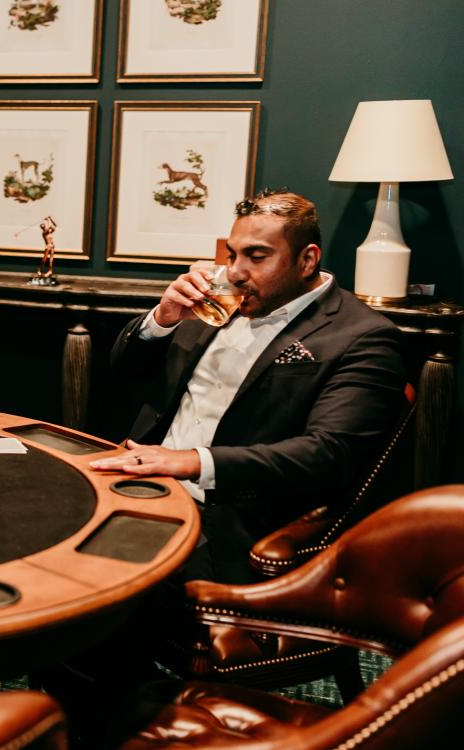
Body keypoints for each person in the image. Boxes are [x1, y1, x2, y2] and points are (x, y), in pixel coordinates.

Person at [89, 189, 405, 583]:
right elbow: (126, 372)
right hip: (139, 486)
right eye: (232, 255)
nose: (236, 272)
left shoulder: (362, 336)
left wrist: (194, 461)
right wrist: (163, 319)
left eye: (256, 257)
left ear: (307, 260)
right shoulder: (218, 301)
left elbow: (328, 454)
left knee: (99, 582)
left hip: (229, 521)